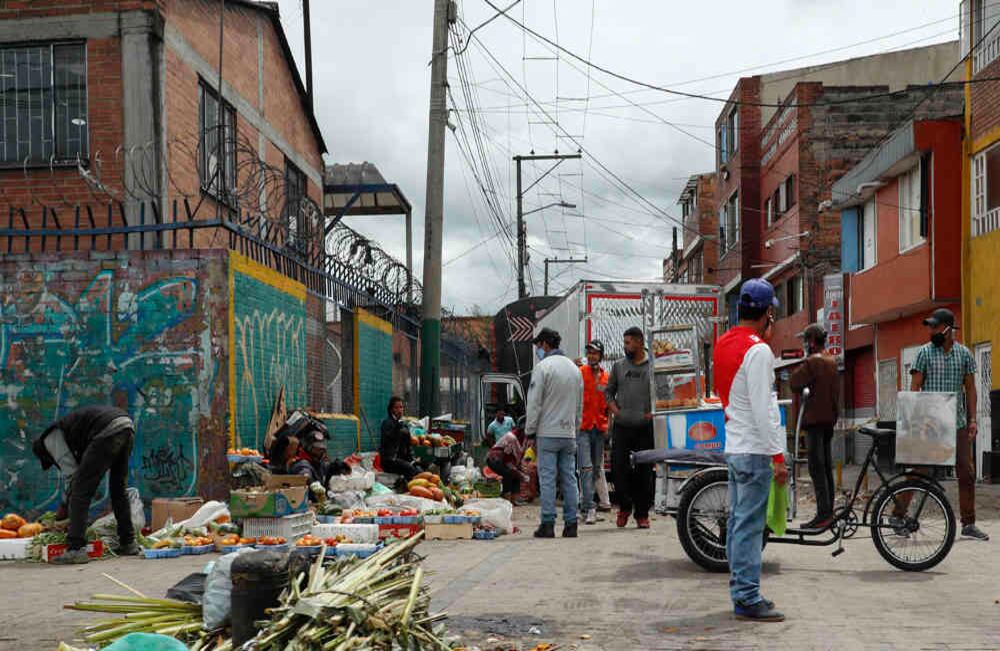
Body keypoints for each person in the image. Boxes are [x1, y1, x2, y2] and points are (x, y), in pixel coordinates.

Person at [713, 278, 787, 622]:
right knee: (749, 526)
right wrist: (777, 457)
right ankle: (746, 596)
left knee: (739, 523)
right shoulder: (758, 351)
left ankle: (742, 589)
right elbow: (763, 409)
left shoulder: (723, 343)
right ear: (768, 313)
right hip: (755, 451)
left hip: (735, 445)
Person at [901, 308, 988, 541]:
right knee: (918, 472)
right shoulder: (924, 354)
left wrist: (972, 419)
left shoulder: (965, 355)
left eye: (935, 326)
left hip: (957, 422)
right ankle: (898, 515)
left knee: (966, 472)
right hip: (929, 423)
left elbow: (970, 388)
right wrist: (914, 420)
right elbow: (915, 387)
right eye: (930, 326)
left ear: (949, 329)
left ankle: (969, 524)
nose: (931, 331)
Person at [31, 405, 139, 565]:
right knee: (118, 489)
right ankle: (128, 542)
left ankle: (75, 548)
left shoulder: (50, 440)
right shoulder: (70, 433)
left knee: (80, 492)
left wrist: (64, 508)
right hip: (125, 426)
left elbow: (72, 476)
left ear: (43, 453)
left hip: (107, 430)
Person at [527, 327, 584, 538]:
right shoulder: (574, 369)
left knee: (548, 478)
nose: (538, 350)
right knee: (570, 478)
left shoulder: (543, 368)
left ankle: (548, 524)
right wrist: (574, 430)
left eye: (538, 346)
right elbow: (579, 406)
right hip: (568, 433)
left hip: (547, 433)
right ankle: (571, 525)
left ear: (545, 344)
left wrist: (530, 430)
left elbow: (534, 403)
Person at [790, 323, 841, 529]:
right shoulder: (831, 360)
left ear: (811, 342)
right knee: (826, 467)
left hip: (814, 423)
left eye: (806, 340)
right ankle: (828, 511)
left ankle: (823, 514)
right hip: (829, 420)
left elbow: (794, 382)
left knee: (816, 468)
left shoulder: (812, 362)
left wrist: (802, 362)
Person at [606, 326, 655, 529]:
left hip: (645, 427)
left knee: (644, 472)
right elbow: (608, 392)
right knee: (618, 469)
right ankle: (624, 507)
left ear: (640, 343)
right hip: (622, 427)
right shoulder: (619, 366)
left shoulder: (653, 366)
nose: (625, 346)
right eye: (624, 342)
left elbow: (664, 391)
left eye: (628, 343)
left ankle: (642, 514)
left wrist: (652, 412)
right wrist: (616, 411)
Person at [578, 340, 610, 525]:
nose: (592, 356)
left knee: (596, 470)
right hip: (583, 428)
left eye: (595, 353)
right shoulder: (580, 373)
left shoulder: (607, 377)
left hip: (600, 429)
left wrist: (609, 429)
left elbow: (610, 404)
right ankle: (589, 508)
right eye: (589, 353)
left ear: (601, 355)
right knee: (586, 468)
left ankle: (586, 507)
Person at [486, 420, 528, 504]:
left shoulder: (523, 439)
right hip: (495, 460)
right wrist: (519, 472)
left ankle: (514, 498)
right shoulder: (512, 438)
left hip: (505, 460)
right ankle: (505, 498)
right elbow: (507, 459)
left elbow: (518, 456)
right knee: (508, 474)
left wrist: (520, 469)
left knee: (515, 474)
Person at [380, 396, 420, 481]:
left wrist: (413, 459)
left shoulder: (404, 425)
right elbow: (388, 440)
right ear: (391, 410)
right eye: (396, 407)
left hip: (402, 460)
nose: (399, 410)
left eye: (401, 407)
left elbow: (408, 446)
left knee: (419, 470)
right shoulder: (387, 423)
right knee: (410, 469)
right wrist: (397, 428)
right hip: (390, 460)